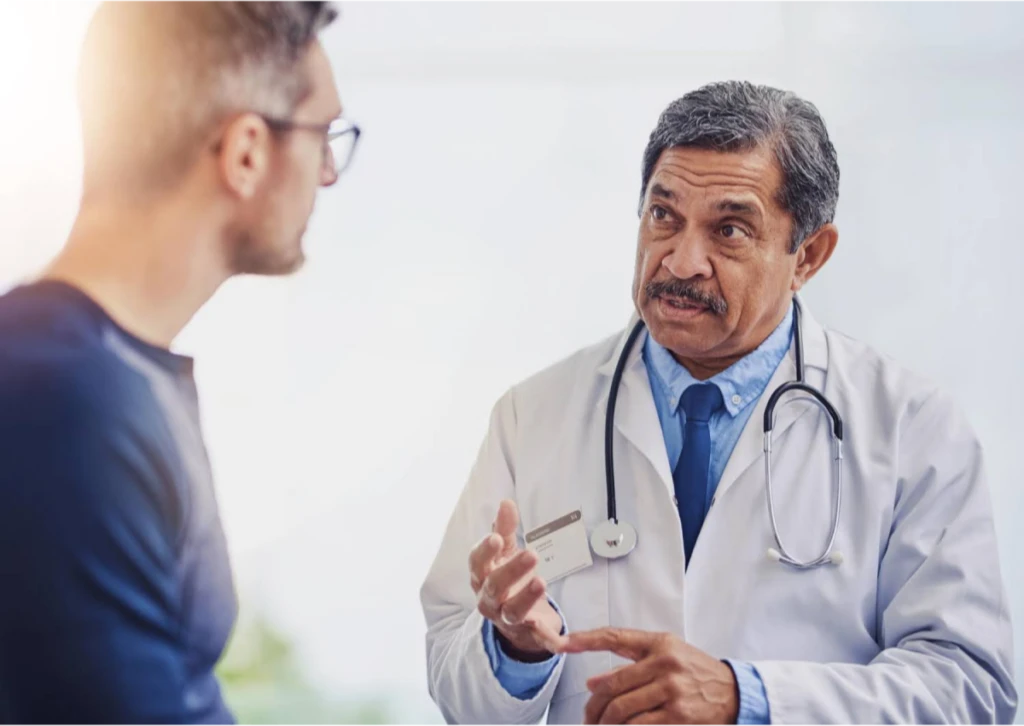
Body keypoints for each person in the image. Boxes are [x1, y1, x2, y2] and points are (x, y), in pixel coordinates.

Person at [420, 81, 1016, 725]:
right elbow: (456, 685)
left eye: (729, 230)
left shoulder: (911, 426)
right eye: (662, 216)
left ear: (808, 256)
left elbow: (972, 684)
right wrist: (511, 647)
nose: (681, 260)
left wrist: (750, 700)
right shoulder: (531, 416)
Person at [0, 1, 358, 723]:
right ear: (247, 152)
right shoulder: (64, 403)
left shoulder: (105, 376)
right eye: (323, 136)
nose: (327, 173)